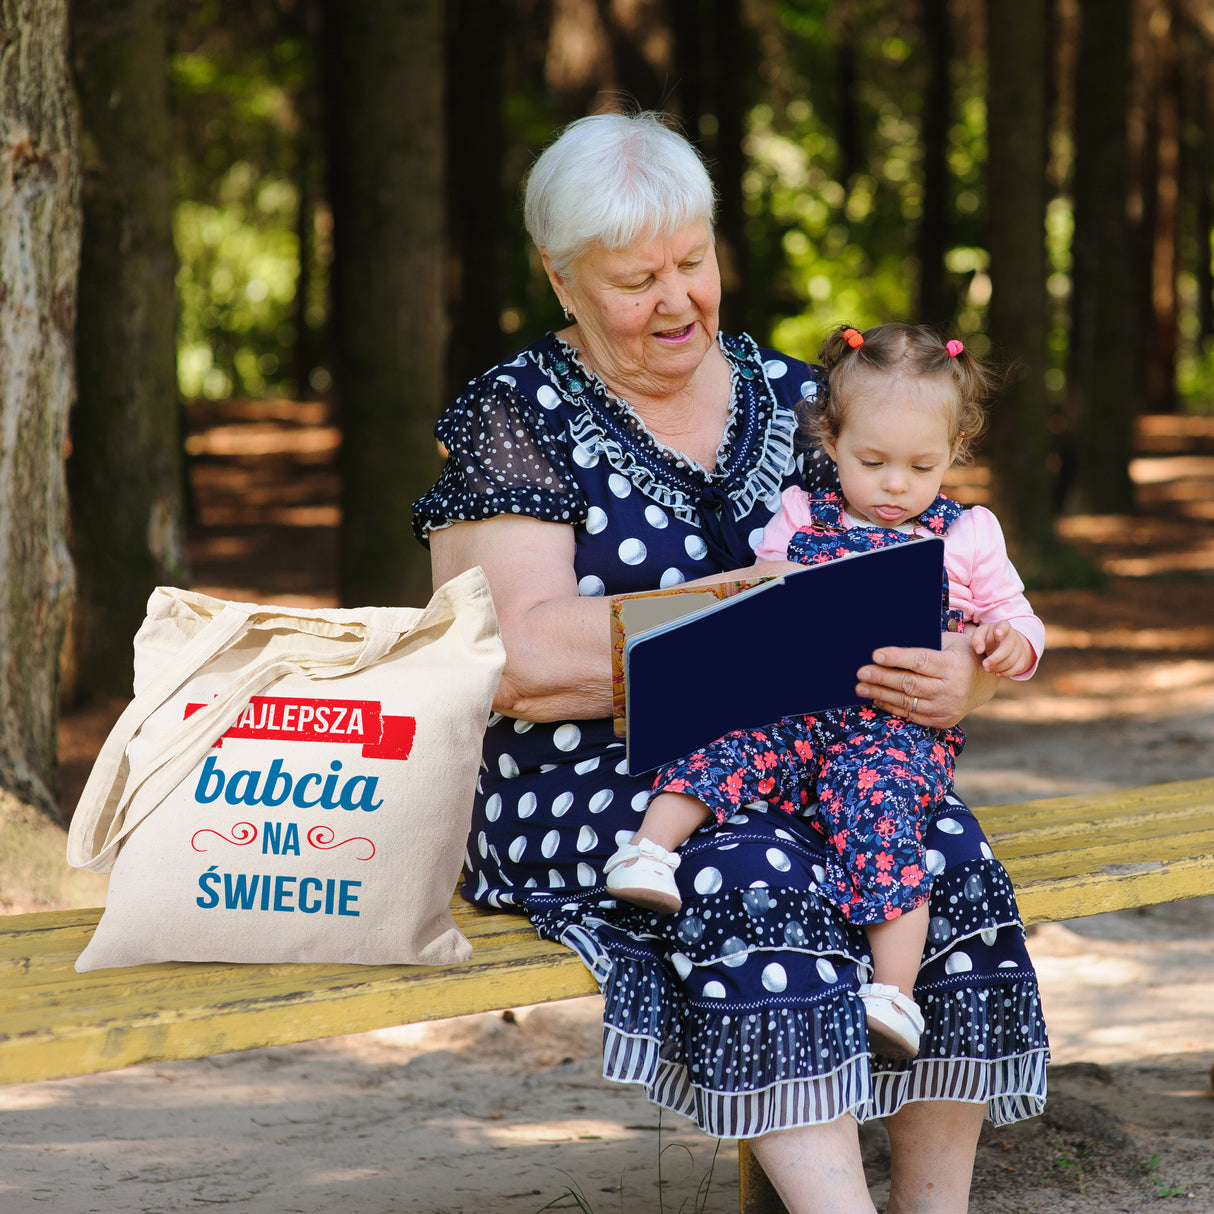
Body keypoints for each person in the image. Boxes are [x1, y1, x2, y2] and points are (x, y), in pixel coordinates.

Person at [412, 111, 1048, 1214]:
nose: (675, 299)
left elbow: (930, 575)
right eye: (634, 278)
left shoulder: (800, 395)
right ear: (561, 280)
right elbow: (512, 656)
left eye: (691, 261)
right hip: (586, 774)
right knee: (756, 869)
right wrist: (728, 612)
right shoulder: (514, 414)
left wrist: (967, 676)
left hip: (808, 747)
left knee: (943, 847)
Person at [602, 322, 1045, 1062]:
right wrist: (778, 589)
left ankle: (894, 991)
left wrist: (1005, 648)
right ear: (831, 441)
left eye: (921, 465)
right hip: (799, 704)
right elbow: (759, 596)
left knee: (884, 817)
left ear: (955, 454)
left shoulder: (969, 533)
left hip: (895, 732)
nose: (896, 485)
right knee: (727, 739)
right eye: (872, 462)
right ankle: (649, 850)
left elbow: (1019, 619)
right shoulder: (802, 514)